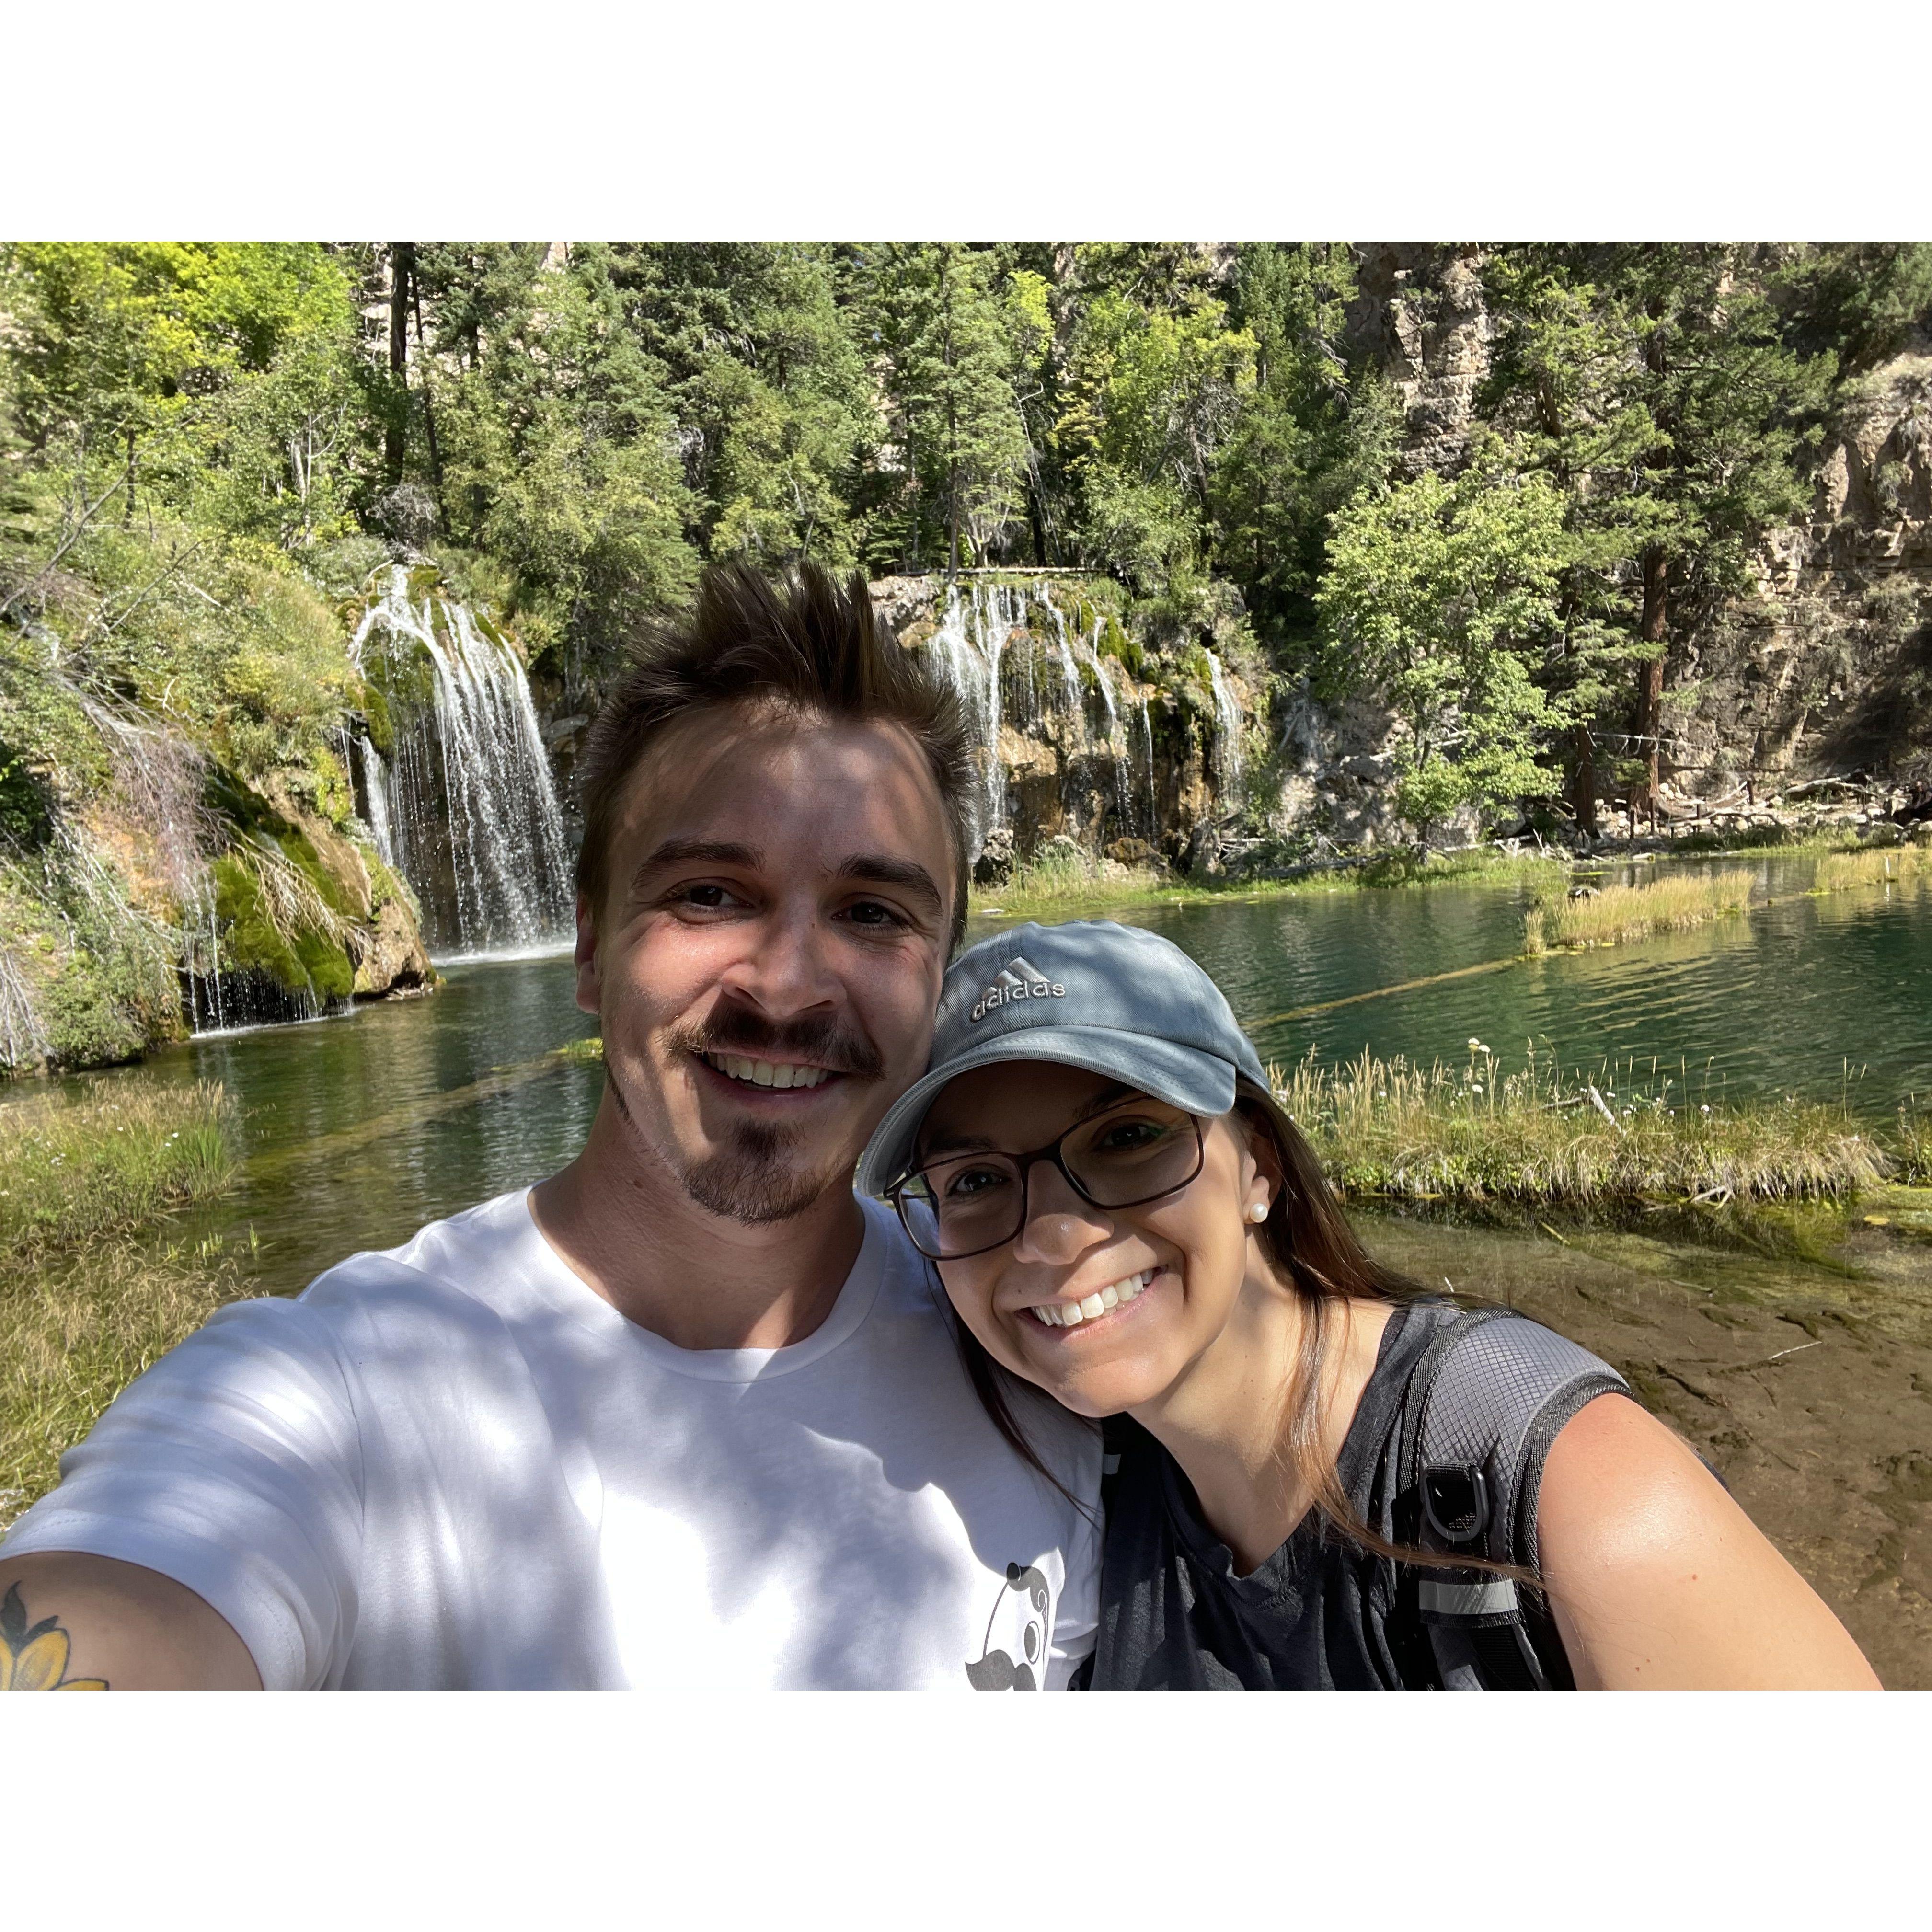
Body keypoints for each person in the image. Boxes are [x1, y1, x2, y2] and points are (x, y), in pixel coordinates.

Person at [0, 564, 1099, 1690]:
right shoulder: (338, 1393)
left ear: (940, 975)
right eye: (712, 893)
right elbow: (127, 1591)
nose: (788, 986)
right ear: (588, 949)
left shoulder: (1043, 1349)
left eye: (874, 913)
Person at [856, 920, 1881, 1690]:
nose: (1052, 1235)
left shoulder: (1564, 1485)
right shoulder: (1089, 1496)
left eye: (1127, 1139)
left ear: (1258, 1167)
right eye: (976, 1181)